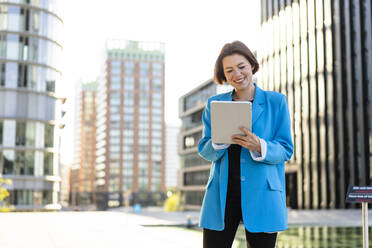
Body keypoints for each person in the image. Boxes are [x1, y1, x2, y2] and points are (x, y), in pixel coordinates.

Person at [198, 41, 293, 248]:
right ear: (223, 74)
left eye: (241, 67)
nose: (237, 74)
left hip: (263, 196)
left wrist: (260, 146)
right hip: (221, 197)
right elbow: (204, 148)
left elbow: (286, 149)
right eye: (229, 70)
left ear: (251, 65)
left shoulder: (276, 102)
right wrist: (220, 142)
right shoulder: (214, 104)